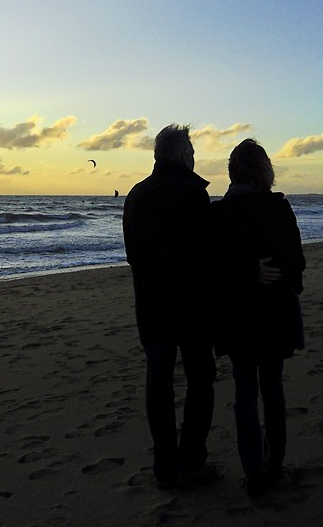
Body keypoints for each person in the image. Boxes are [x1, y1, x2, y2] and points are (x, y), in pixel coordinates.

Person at [122, 124, 220, 490]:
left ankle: (164, 467)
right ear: (182, 155)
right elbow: (206, 253)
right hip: (191, 307)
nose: (194, 159)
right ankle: (192, 461)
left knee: (159, 383)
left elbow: (134, 255)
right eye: (192, 153)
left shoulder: (136, 195)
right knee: (200, 380)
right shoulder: (193, 192)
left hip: (151, 305)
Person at [209, 139, 305, 497]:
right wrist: (262, 272)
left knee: (246, 393)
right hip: (275, 315)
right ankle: (274, 466)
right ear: (265, 172)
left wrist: (250, 273)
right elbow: (297, 266)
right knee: (272, 390)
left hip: (239, 318)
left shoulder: (220, 213)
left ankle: (254, 472)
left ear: (233, 172)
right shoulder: (279, 208)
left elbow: (212, 269)